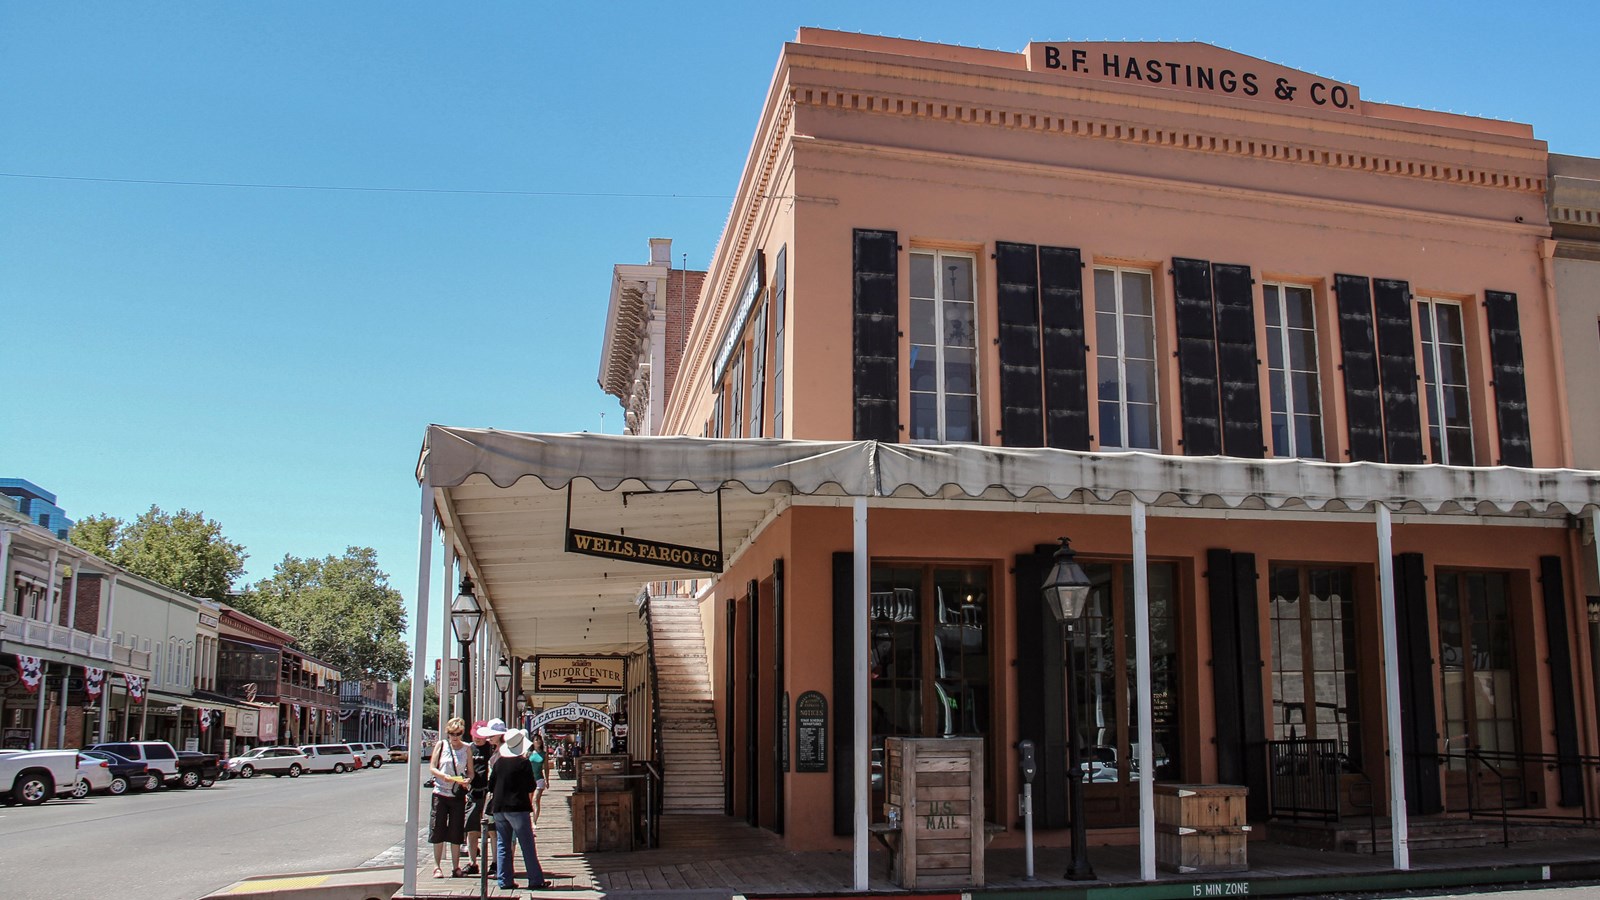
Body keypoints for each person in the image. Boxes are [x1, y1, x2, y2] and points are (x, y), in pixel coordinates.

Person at [488, 728, 547, 891]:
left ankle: (504, 880)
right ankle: (535, 879)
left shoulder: (499, 762)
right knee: (526, 844)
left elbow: (491, 785)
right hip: (518, 807)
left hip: (499, 807)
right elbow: (531, 785)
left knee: (502, 844)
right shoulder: (523, 763)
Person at [428, 717, 473, 879]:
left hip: (457, 794)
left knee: (456, 831)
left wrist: (467, 780)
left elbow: (470, 771)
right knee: (438, 829)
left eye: (458, 733)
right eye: (452, 733)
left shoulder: (466, 749)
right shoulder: (441, 745)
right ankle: (437, 866)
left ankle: (456, 867)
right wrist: (443, 776)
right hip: (440, 792)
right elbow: (432, 767)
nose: (455, 737)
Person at [462, 718, 507, 876]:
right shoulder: (468, 749)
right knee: (472, 830)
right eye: (476, 735)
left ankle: (495, 863)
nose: (478, 738)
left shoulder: (492, 749)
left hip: (490, 794)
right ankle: (472, 862)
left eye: (481, 735)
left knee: (492, 831)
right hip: (474, 793)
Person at [529, 733, 549, 821]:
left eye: (540, 739)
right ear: (532, 742)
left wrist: (547, 780)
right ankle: (529, 820)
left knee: (535, 799)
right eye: (536, 739)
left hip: (539, 779)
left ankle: (534, 822)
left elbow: (546, 768)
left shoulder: (544, 754)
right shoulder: (528, 753)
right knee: (529, 801)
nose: (539, 741)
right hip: (529, 780)